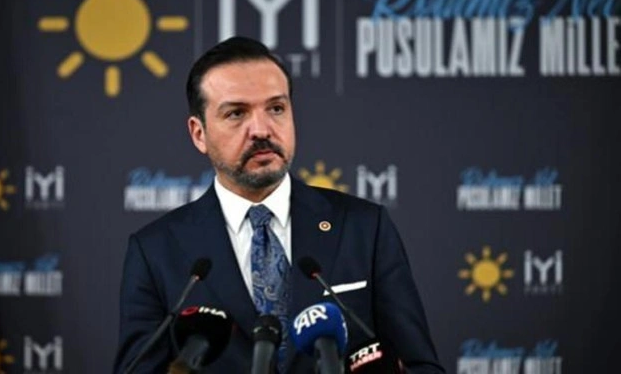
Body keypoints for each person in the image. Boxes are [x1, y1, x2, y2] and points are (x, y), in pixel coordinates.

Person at [114, 37, 445, 373]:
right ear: (199, 134)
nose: (261, 130)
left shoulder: (364, 227)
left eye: (276, 108)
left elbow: (419, 366)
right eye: (236, 113)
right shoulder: (156, 251)